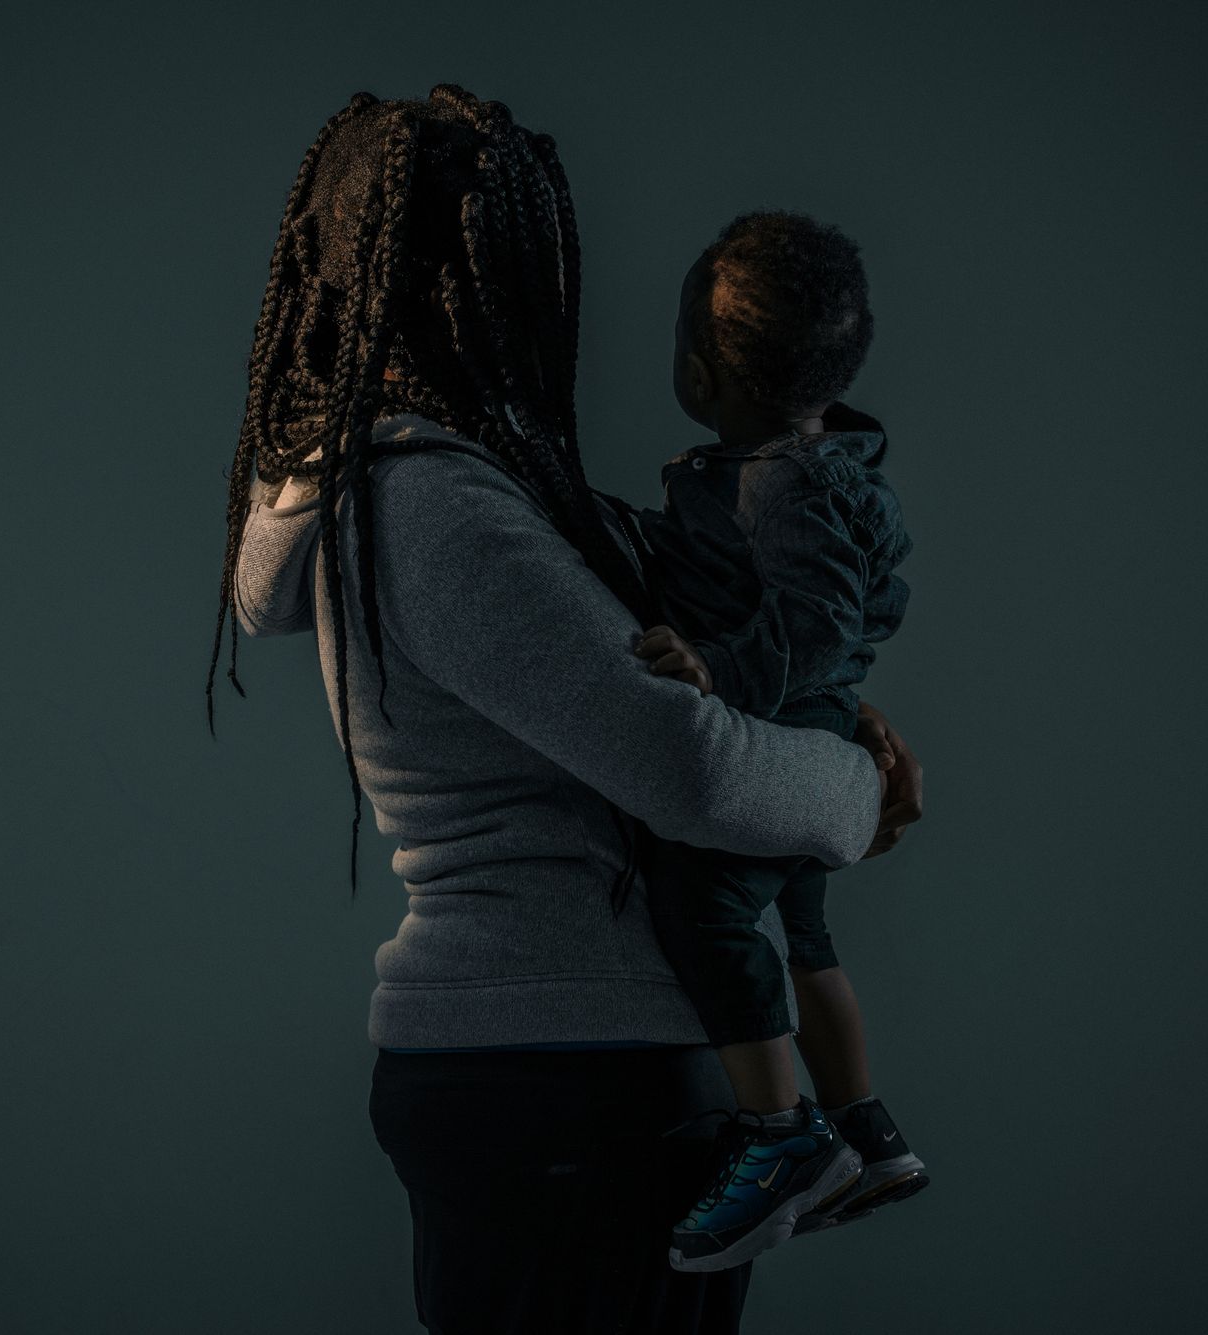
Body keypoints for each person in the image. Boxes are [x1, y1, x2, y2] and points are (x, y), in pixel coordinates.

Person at [204, 86, 924, 1335]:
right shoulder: (433, 504)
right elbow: (686, 768)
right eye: (528, 259)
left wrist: (822, 726)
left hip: (570, 1072)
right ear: (483, 279)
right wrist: (852, 797)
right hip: (563, 1074)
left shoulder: (464, 489)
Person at [627, 212, 927, 1274]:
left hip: (778, 721)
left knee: (703, 905)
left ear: (705, 374)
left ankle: (781, 1134)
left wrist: (720, 681)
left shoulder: (776, 482)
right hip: (816, 719)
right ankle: (867, 1132)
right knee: (803, 931)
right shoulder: (800, 466)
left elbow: (817, 621)